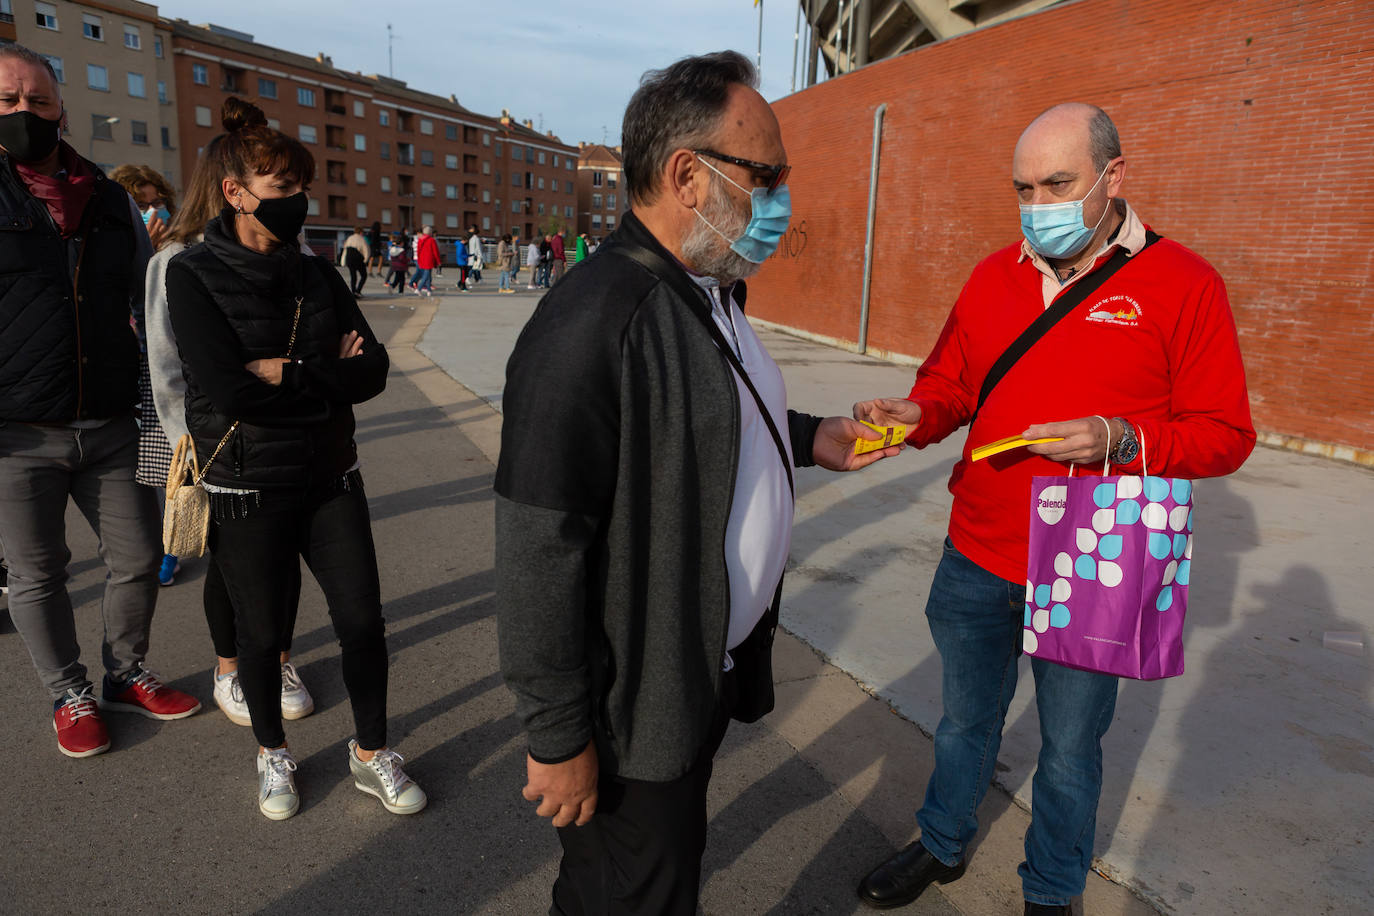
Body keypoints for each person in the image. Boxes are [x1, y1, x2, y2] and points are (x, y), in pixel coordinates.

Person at [495, 51, 900, 914]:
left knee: (661, 876)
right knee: (629, 895)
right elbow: (537, 553)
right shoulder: (593, 324)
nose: (783, 196)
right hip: (632, 712)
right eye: (767, 174)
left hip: (692, 675)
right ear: (686, 175)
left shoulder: (707, 291)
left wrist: (808, 437)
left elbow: (702, 426)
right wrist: (559, 735)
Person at [851, 102, 1256, 915]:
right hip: (979, 551)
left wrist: (1120, 438)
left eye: (1058, 183)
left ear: (1115, 177)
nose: (1039, 204)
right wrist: (917, 415)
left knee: (1071, 750)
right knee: (964, 723)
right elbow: (952, 386)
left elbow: (1225, 435)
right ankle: (941, 842)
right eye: (1025, 187)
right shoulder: (992, 276)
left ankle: (1052, 888)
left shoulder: (1184, 284)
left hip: (1092, 562)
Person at [166, 96, 425, 821]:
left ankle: (371, 754)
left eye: (302, 189)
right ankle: (272, 754)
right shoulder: (190, 276)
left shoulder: (317, 274)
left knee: (363, 622)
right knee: (262, 633)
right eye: (285, 190)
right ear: (236, 193)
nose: (300, 204)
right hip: (246, 482)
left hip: (330, 476)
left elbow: (370, 372)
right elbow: (225, 389)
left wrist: (290, 372)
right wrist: (324, 376)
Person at [0, 45, 201, 759]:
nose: (25, 112)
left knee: (142, 557)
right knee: (36, 574)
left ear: (62, 109)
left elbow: (154, 309)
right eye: (8, 101)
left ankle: (126, 672)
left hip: (114, 421)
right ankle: (69, 692)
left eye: (38, 100)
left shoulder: (112, 199)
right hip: (17, 434)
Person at [145, 131, 313, 730]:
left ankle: (281, 661)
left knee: (285, 559)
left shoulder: (297, 254)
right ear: (229, 186)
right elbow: (166, 368)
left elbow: (330, 345)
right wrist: (187, 447)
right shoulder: (177, 261)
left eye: (295, 183)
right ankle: (228, 667)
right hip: (216, 444)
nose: (290, 195)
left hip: (292, 443)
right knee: (230, 563)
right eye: (277, 181)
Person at [111, 163, 184, 587]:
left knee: (172, 462)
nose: (153, 210)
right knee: (135, 473)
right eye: (141, 204)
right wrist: (138, 257)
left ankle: (173, 547)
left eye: (157, 202)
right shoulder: (108, 245)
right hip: (125, 372)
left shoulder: (179, 249)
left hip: (166, 370)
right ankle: (144, 548)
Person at [340, 226, 369, 297]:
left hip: (349, 258)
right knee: (364, 275)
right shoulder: (361, 239)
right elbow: (366, 250)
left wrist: (343, 261)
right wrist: (365, 259)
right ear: (361, 232)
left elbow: (345, 249)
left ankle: (353, 291)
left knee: (353, 276)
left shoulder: (350, 238)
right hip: (358, 259)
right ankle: (358, 291)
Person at [412, 224, 440, 297]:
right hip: (429, 259)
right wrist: (438, 261)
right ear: (430, 232)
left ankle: (429, 290)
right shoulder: (432, 240)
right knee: (426, 275)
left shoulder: (420, 240)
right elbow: (435, 251)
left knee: (428, 275)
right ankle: (419, 288)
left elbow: (418, 251)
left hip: (422, 259)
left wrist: (419, 258)